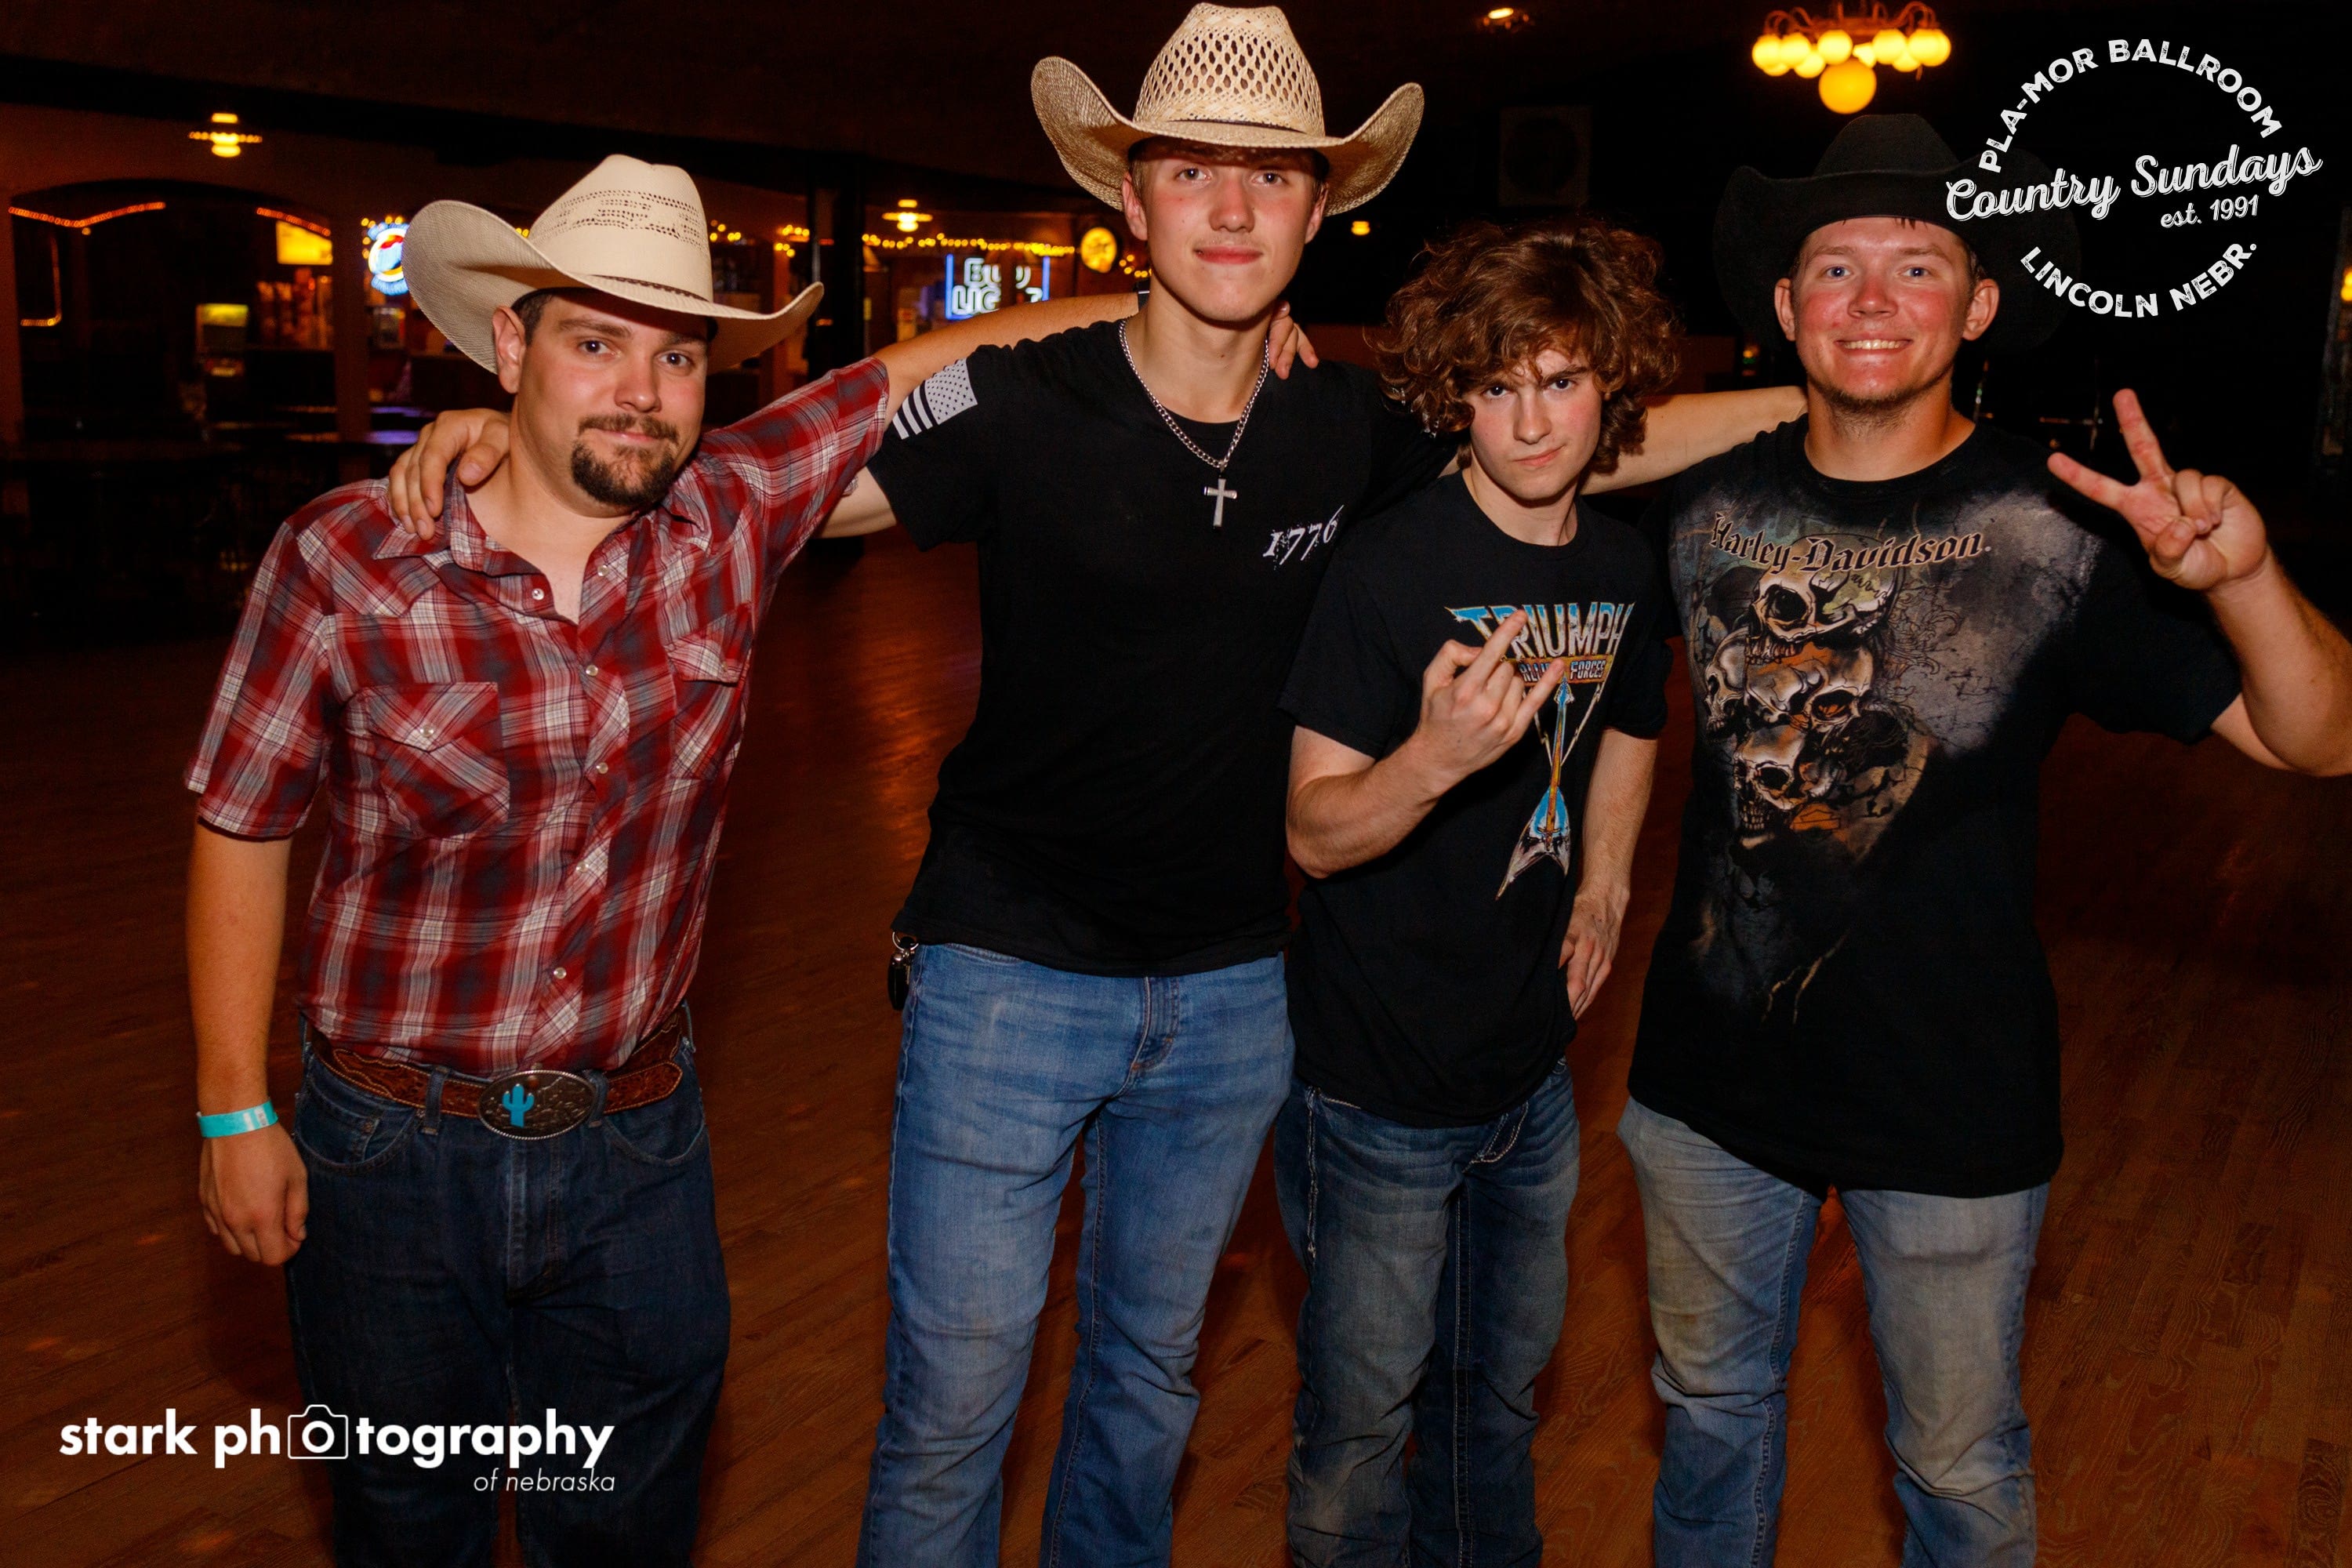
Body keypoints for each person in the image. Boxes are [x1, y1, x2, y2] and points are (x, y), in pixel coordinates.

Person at [387, 12, 1797, 1562]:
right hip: (1007, 975)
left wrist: (1835, 412)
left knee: (1145, 1386)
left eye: (1272, 178)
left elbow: (1590, 440)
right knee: (954, 1403)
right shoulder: (1028, 397)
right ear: (1132, 201)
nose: (1234, 210)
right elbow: (755, 495)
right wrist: (522, 440)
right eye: (1192, 173)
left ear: (1318, 211)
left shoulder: (1346, 423)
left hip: (1234, 991)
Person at [186, 152, 1192, 1568]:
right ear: (511, 349)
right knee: (407, 1527)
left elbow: (922, 366)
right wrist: (234, 1112)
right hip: (392, 1153)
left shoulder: (726, 514)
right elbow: (243, 822)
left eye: (675, 357)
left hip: (635, 1147)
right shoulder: (348, 558)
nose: (640, 391)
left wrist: (1179, 314)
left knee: (629, 1528)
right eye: (595, 343)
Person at [1620, 114, 2352, 1567]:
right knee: (1707, 1420)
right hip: (1708, 1087)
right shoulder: (1704, 502)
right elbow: (1537, 448)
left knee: (1958, 1472)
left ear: (1979, 307)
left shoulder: (2055, 530)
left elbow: (2321, 739)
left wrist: (2248, 578)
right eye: (1836, 270)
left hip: (1950, 1097)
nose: (1873, 300)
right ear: (1787, 306)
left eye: (1918, 268)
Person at [1276, 215, 1679, 1566]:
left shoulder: (1621, 566)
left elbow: (1635, 719)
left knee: (1496, 1409)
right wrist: (1431, 762)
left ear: (1611, 383)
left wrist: (1608, 880)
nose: (1533, 421)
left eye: (1561, 380)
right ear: (1457, 395)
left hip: (1532, 1082)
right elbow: (1314, 833)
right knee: (1358, 1435)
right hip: (1375, 1092)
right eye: (1498, 387)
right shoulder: (1388, 568)